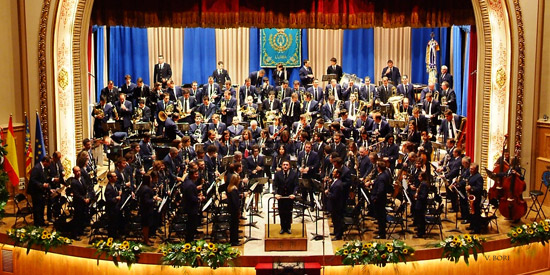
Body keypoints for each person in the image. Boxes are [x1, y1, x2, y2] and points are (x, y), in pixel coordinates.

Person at [274, 159, 298, 234]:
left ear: (289, 166)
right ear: (281, 166)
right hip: (281, 197)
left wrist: (294, 194)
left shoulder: (294, 174)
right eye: (284, 165)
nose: (285, 166)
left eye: (287, 165)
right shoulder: (278, 174)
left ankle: (288, 227)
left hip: (289, 196)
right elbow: (275, 185)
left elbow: (296, 185)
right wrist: (276, 193)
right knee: (281, 212)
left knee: (288, 212)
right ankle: (282, 227)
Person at [67, 166, 89, 240]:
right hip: (78, 203)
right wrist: (83, 199)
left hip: (83, 202)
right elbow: (76, 194)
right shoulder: (74, 182)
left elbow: (85, 189)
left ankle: (81, 231)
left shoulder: (82, 179)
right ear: (74, 172)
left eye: (79, 171)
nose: (78, 172)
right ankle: (75, 234)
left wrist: (87, 196)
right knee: (77, 218)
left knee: (82, 217)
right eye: (76, 171)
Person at [181, 168, 204, 242]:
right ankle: (189, 241)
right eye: (196, 174)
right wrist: (199, 198)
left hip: (191, 208)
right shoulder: (190, 184)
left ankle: (190, 240)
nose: (197, 176)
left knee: (191, 226)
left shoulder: (190, 182)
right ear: (191, 175)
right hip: (191, 208)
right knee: (191, 226)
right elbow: (191, 198)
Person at [28, 156, 52, 226]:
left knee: (41, 207)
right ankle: (37, 223)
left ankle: (41, 221)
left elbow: (43, 178)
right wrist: (42, 185)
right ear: (45, 161)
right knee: (37, 208)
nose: (49, 165)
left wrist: (47, 186)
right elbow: (33, 180)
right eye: (49, 163)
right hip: (35, 191)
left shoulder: (43, 168)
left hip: (40, 191)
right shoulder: (37, 168)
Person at [139, 173, 161, 245]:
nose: (151, 179)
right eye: (150, 178)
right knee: (146, 225)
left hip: (146, 210)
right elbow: (146, 201)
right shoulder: (146, 189)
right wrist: (154, 199)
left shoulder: (144, 187)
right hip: (146, 210)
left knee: (147, 225)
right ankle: (146, 240)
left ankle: (147, 238)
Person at [370, 160, 389, 239]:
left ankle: (382, 234)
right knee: (381, 216)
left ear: (378, 168)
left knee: (380, 217)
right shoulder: (384, 174)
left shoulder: (381, 177)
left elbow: (380, 190)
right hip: (382, 199)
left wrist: (375, 198)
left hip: (379, 200)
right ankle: (381, 231)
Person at [326, 168, 345, 240]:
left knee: (337, 220)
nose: (332, 173)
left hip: (336, 205)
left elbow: (334, 196)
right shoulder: (336, 182)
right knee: (334, 219)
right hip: (335, 205)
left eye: (334, 173)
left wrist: (328, 193)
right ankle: (335, 231)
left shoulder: (338, 184)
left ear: (338, 174)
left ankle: (338, 235)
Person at [226, 163, 242, 246]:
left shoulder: (230, 188)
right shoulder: (234, 189)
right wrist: (239, 211)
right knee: (234, 226)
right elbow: (236, 203)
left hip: (231, 210)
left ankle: (234, 240)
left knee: (233, 226)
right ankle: (234, 241)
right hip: (234, 211)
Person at [467, 162, 484, 234]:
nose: (470, 170)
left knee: (476, 213)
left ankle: (476, 229)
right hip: (471, 196)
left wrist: (471, 188)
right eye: (470, 169)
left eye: (472, 169)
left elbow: (480, 188)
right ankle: (472, 225)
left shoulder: (479, 177)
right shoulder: (472, 175)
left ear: (476, 169)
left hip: (476, 198)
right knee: (471, 212)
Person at [105, 171, 122, 238]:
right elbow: (109, 200)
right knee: (112, 224)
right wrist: (116, 198)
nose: (116, 177)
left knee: (115, 223)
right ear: (110, 178)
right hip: (111, 209)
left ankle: (115, 235)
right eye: (115, 176)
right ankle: (111, 237)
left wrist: (118, 193)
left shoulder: (113, 185)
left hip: (115, 209)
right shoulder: (108, 188)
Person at [414, 172, 430, 238]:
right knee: (420, 218)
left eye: (420, 176)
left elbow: (423, 196)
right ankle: (420, 230)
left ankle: (420, 233)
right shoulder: (423, 183)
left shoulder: (424, 184)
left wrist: (417, 196)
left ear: (422, 177)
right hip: (420, 203)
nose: (418, 178)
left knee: (420, 218)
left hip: (421, 204)